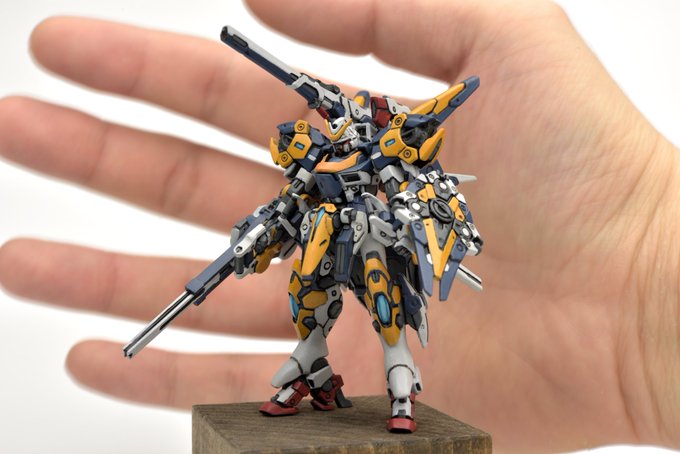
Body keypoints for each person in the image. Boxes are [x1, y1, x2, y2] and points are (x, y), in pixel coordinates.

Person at [0, 0, 678, 451]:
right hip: (324, 234)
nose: (336, 121)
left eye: (349, 117)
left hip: (371, 236)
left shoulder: (386, 156)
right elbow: (290, 205)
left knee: (385, 305)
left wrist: (414, 204)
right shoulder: (318, 158)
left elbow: (419, 183)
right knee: (305, 297)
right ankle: (315, 373)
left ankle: (402, 389)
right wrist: (255, 240)